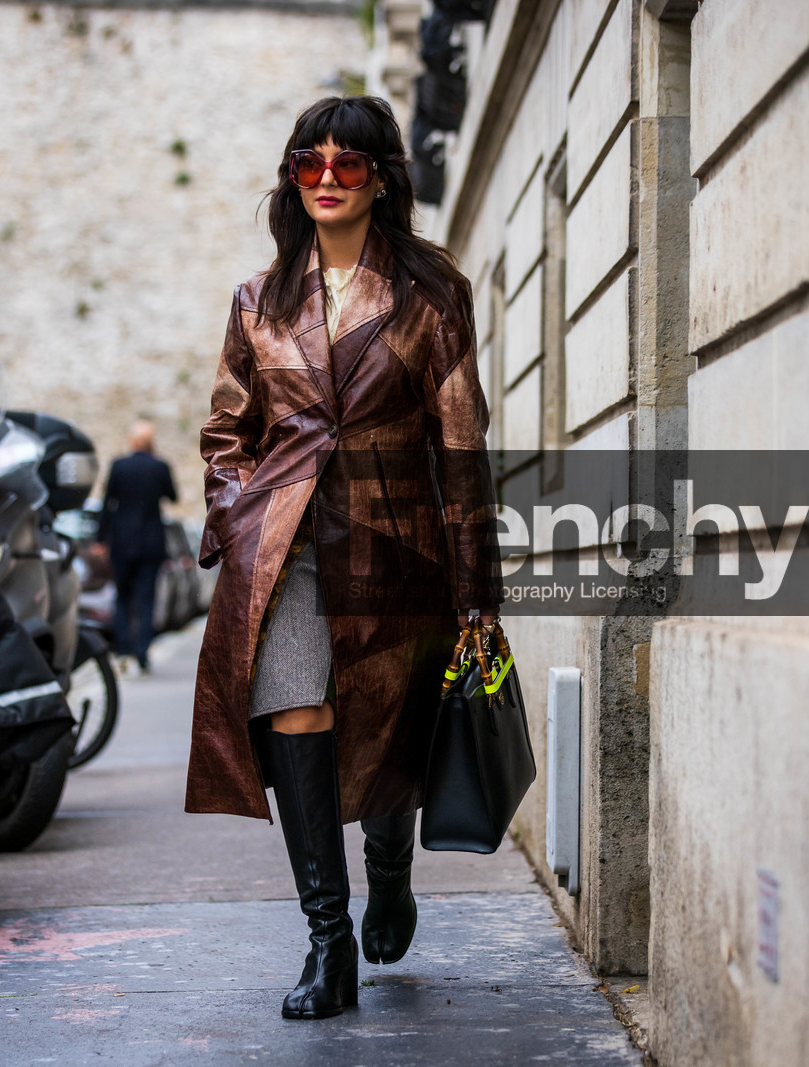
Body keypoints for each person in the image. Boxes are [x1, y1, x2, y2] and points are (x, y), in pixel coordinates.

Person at [187, 96, 501, 1020]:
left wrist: (476, 581)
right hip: (284, 547)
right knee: (297, 707)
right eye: (309, 164)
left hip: (394, 541)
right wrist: (238, 514)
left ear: (382, 177)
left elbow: (461, 442)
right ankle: (328, 941)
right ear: (292, 178)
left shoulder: (430, 291)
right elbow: (224, 431)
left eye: (348, 165)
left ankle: (391, 871)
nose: (327, 180)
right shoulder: (258, 298)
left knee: (386, 726)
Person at [97, 420, 178, 673]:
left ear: (132, 441)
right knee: (146, 599)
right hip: (151, 542)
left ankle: (123, 651)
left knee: (122, 596)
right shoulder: (160, 466)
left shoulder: (118, 466)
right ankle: (142, 653)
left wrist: (100, 539)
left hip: (122, 541)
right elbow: (173, 496)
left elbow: (107, 503)